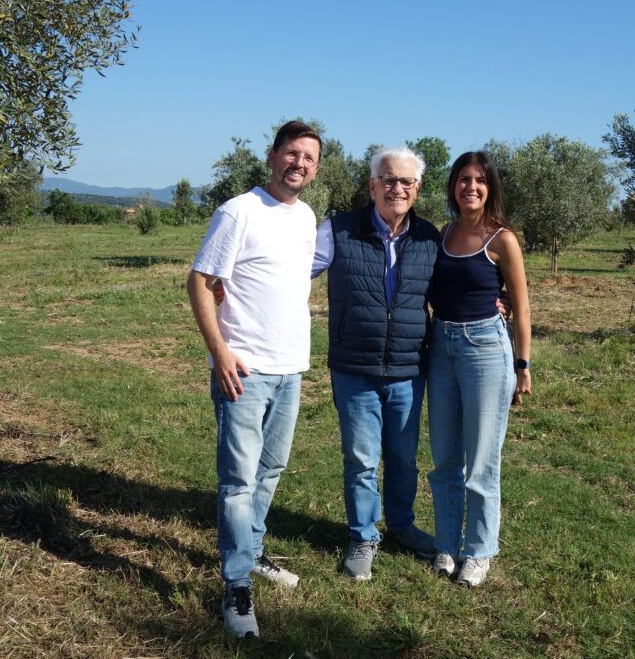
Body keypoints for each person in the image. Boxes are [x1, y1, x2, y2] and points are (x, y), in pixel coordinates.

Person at [187, 120, 321, 638]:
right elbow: (201, 280)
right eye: (291, 154)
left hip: (291, 367)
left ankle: (253, 552)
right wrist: (219, 350)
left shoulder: (307, 216)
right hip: (243, 369)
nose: (299, 164)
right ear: (272, 156)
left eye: (309, 158)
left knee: (269, 471)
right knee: (238, 481)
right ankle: (236, 585)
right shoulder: (239, 210)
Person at [310, 147, 440, 580]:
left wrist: (495, 301)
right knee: (362, 459)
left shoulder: (429, 238)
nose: (396, 188)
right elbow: (287, 270)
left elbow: (452, 291)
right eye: (388, 179)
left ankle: (401, 527)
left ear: (417, 189)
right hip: (354, 368)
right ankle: (364, 536)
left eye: (406, 182)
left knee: (404, 458)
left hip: (407, 369)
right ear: (372, 186)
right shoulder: (338, 230)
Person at [426, 150, 532, 588]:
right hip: (442, 347)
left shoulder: (502, 239)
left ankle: (480, 550)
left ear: (490, 187)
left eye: (479, 180)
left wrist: (523, 365)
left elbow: (522, 309)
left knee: (482, 460)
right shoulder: (443, 234)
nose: (471, 186)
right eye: (463, 179)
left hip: (486, 349)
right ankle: (447, 544)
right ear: (453, 185)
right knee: (444, 456)